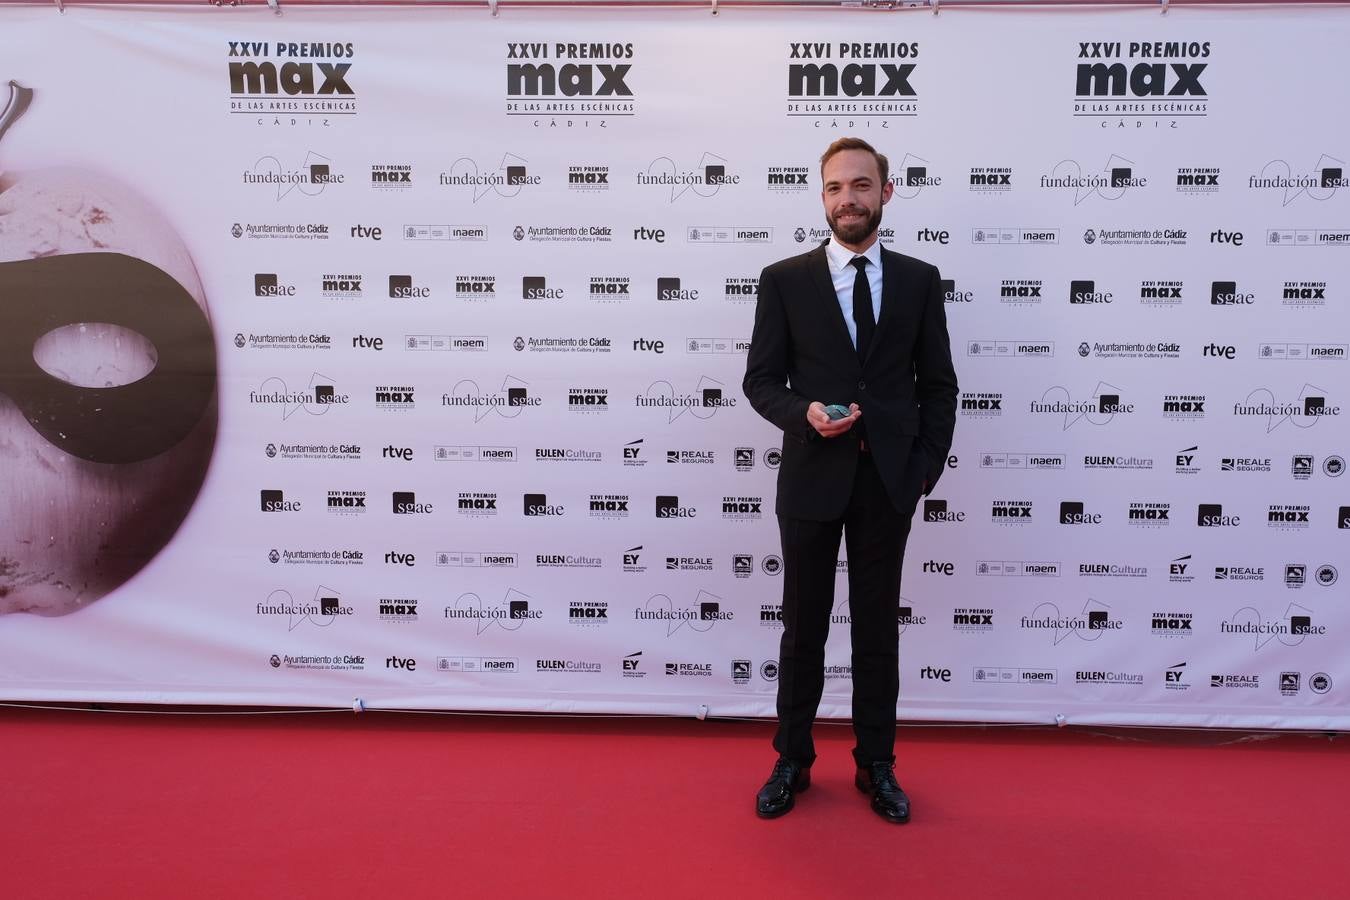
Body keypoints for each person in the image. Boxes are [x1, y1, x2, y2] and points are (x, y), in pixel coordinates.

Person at [742, 137, 958, 823]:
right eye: (836, 188)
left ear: (885, 193)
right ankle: (793, 760)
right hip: (811, 478)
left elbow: (940, 386)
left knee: (876, 634)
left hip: (889, 483)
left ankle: (876, 765)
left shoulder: (921, 280)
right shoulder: (784, 279)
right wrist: (802, 414)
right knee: (802, 628)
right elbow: (759, 381)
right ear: (822, 196)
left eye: (862, 186)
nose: (849, 200)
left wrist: (922, 469)